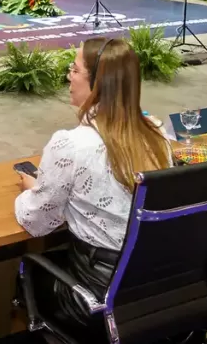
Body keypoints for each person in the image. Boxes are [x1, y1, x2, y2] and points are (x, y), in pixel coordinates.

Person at [15, 38, 172, 327]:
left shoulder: (71, 145)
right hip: (157, 287)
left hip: (98, 295)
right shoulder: (157, 134)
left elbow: (36, 222)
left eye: (74, 70)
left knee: (27, 272)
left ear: (98, 83)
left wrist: (31, 191)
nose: (68, 77)